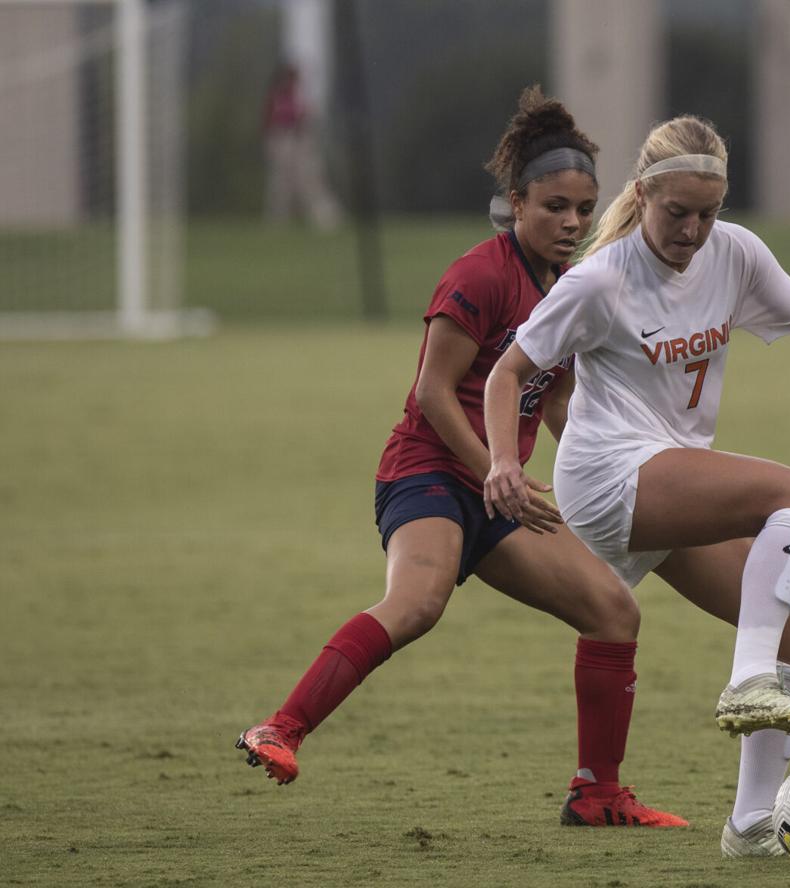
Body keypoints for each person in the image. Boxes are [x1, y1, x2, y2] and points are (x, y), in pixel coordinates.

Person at [237, 86, 686, 829]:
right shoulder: (479, 275)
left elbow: (562, 400)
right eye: (553, 208)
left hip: (498, 490)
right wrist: (495, 468)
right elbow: (433, 393)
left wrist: (607, 467)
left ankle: (597, 794)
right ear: (515, 203)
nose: (572, 222)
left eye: (583, 208)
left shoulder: (578, 289)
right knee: (418, 603)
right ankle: (279, 729)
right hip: (429, 474)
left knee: (612, 610)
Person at [483, 115, 790, 856]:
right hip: (606, 474)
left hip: (665, 478)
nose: (694, 230)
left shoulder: (734, 253)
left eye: (708, 213)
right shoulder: (600, 278)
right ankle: (747, 679)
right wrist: (502, 461)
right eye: (677, 213)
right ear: (641, 195)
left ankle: (749, 825)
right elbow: (508, 370)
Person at [262, 61, 341, 229]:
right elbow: (269, 122)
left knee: (310, 180)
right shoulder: (276, 96)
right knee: (281, 183)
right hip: (282, 140)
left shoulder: (299, 95)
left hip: (300, 141)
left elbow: (306, 118)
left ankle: (323, 218)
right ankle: (279, 220)